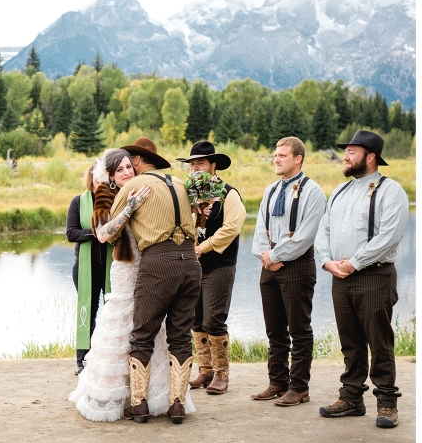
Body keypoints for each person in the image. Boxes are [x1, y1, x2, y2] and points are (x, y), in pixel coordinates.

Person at [69, 149, 196, 422]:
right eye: (120, 170)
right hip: (127, 269)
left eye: (129, 167)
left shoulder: (146, 191)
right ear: (111, 178)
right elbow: (103, 235)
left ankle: (159, 398)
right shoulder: (108, 198)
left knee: (153, 331)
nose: (127, 172)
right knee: (125, 331)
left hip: (153, 268)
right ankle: (122, 397)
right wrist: (128, 207)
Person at [314, 130, 409, 428]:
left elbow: (389, 236)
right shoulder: (340, 191)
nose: (345, 155)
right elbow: (323, 231)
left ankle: (387, 403)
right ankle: (352, 398)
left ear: (371, 157)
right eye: (346, 151)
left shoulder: (390, 190)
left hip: (374, 275)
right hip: (340, 277)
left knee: (379, 341)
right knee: (350, 340)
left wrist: (354, 263)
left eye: (352, 152)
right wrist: (327, 261)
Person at [104, 137, 202, 425]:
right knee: (181, 336)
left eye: (131, 161)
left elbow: (111, 232)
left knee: (142, 334)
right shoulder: (180, 184)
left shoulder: (135, 187)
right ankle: (177, 406)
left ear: (138, 162)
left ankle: (140, 405)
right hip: (190, 263)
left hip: (159, 264)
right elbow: (196, 223)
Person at [250, 136, 326, 406]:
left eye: (283, 155)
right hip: (268, 265)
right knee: (274, 330)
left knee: (299, 329)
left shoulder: (313, 191)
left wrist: (276, 254)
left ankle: (299, 387)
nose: (276, 159)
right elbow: (260, 226)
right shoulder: (271, 190)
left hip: (297, 266)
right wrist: (264, 255)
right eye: (275, 154)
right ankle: (277, 381)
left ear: (298, 159)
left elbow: (306, 236)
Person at [176, 141, 246, 395]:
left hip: (220, 265)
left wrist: (201, 248)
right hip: (195, 266)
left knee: (214, 319)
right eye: (192, 164)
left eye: (201, 163)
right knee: (196, 319)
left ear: (213, 166)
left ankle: (221, 374)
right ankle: (204, 371)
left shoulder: (229, 193)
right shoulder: (190, 194)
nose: (195, 167)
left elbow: (232, 228)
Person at [66, 163, 113, 375]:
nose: (100, 179)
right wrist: (96, 233)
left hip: (111, 267)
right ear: (91, 176)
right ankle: (82, 359)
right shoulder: (78, 202)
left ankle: (109, 357)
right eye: (97, 174)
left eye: (105, 175)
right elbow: (71, 233)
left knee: (112, 313)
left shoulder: (115, 200)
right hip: (86, 268)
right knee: (89, 312)